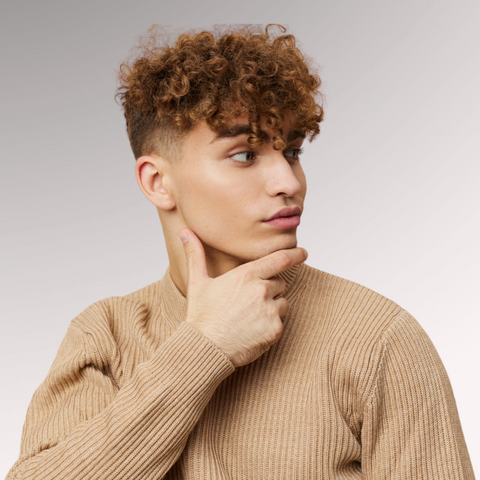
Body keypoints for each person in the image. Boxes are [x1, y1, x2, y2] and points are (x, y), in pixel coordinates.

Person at [7, 24, 475, 480]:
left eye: (291, 151)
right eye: (245, 155)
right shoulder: (104, 335)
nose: (289, 183)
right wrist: (204, 348)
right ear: (157, 182)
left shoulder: (378, 339)